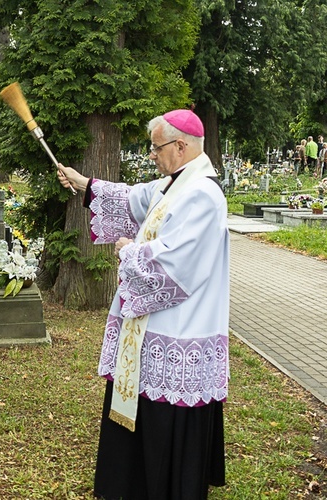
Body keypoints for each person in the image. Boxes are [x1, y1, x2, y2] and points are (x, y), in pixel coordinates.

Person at [57, 109, 229, 499]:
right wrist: (83, 183)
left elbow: (178, 265)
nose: (152, 155)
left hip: (180, 332)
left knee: (167, 432)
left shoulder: (203, 194)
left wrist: (131, 251)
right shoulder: (176, 183)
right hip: (154, 332)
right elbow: (134, 197)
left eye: (156, 148)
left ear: (181, 146)